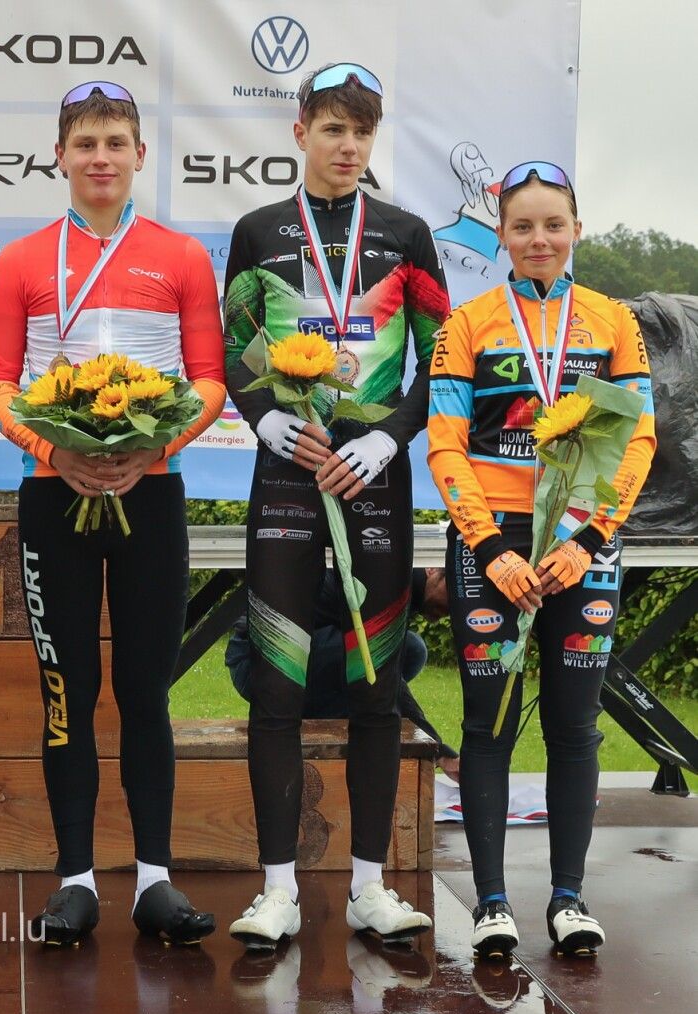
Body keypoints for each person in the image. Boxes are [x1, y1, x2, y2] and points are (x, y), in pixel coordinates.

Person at [0, 81, 226, 947]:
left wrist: (149, 449)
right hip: (55, 495)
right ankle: (75, 880)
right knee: (67, 691)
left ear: (140, 155)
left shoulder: (182, 257)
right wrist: (56, 452)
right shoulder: (21, 261)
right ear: (59, 156)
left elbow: (208, 381)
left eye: (116, 142)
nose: (100, 158)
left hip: (151, 493)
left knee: (145, 692)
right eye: (85, 143)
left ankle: (154, 878)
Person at [222, 62, 451, 950]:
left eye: (361, 131)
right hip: (290, 469)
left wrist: (389, 438)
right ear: (300, 133)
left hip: (373, 475)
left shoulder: (405, 234)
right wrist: (267, 420)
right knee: (276, 684)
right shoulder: (258, 231)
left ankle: (368, 887)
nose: (348, 146)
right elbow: (236, 347)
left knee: (376, 684)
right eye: (332, 129)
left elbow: (440, 361)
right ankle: (277, 890)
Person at [427, 161, 655, 960]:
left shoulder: (613, 322)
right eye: (522, 227)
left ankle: (568, 898)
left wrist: (588, 540)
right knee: (487, 723)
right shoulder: (467, 323)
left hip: (583, 545)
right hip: (492, 543)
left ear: (576, 231)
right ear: (501, 236)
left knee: (574, 725)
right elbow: (446, 445)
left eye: (553, 225)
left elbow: (639, 440)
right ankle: (492, 904)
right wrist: (490, 547)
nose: (539, 239)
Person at [225, 567, 462, 780]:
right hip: (258, 666)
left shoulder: (402, 587)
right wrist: (438, 750)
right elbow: (381, 672)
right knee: (366, 657)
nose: (455, 605)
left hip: (291, 660)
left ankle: (339, 717)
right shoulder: (386, 583)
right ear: (431, 569)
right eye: (453, 588)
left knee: (412, 650)